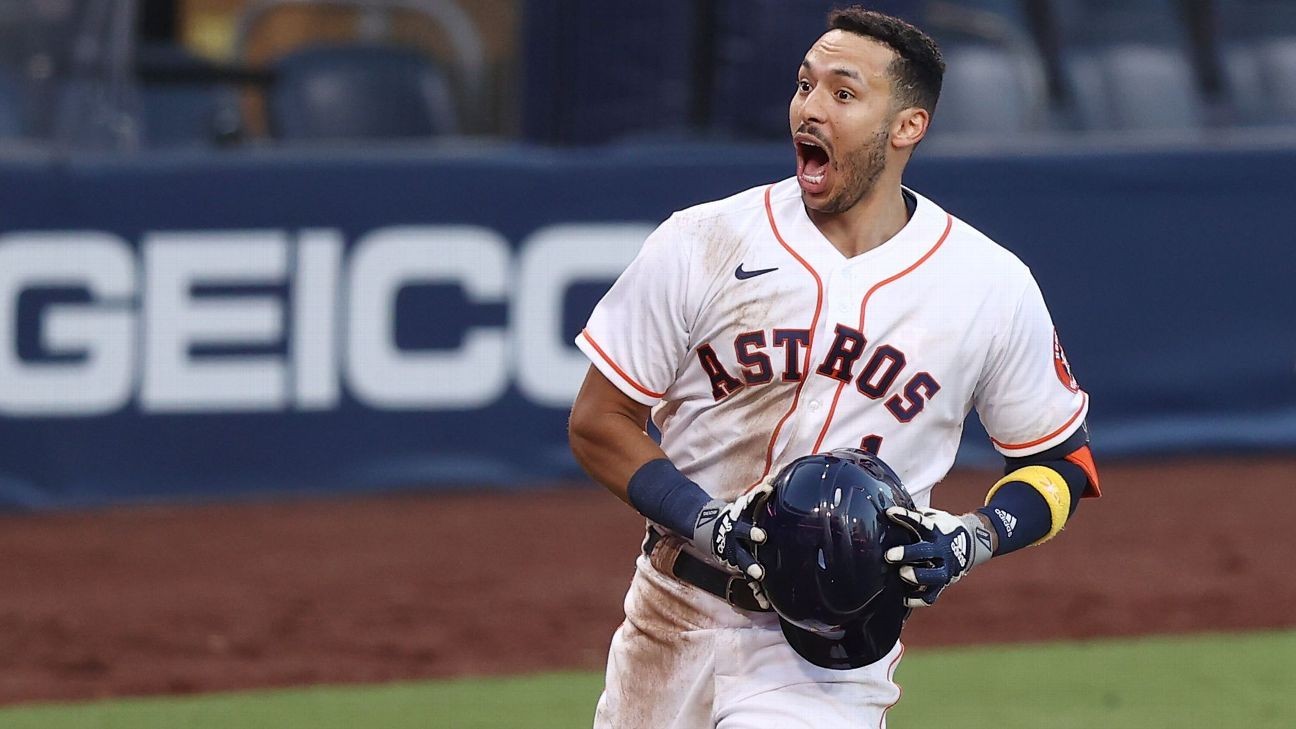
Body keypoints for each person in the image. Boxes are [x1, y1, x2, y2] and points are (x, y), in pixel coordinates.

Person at [567, 6, 1101, 728]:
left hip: (828, 653)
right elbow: (600, 420)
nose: (810, 109)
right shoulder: (704, 240)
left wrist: (970, 537)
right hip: (668, 616)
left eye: (843, 94)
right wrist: (706, 520)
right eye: (803, 85)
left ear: (907, 126)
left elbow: (1064, 465)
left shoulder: (989, 283)